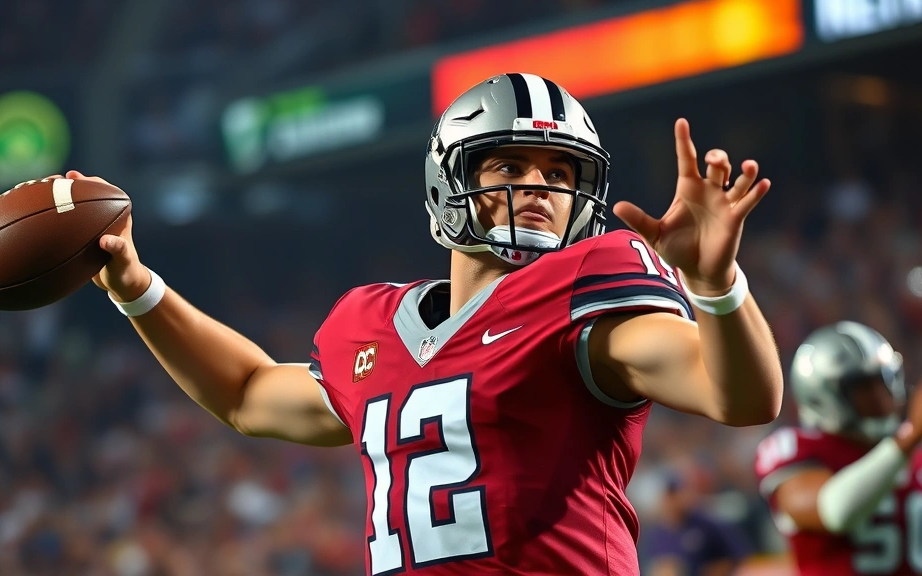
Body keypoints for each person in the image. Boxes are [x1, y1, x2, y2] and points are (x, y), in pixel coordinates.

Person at [72, 73, 783, 575]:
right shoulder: (371, 325)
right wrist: (137, 290)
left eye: (562, 175)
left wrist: (714, 286)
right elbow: (246, 393)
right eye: (510, 163)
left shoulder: (585, 297)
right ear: (449, 180)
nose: (540, 186)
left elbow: (742, 398)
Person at [755, 321, 922, 575]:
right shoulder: (797, 447)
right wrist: (910, 437)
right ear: (823, 394)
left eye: (884, 380)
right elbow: (834, 511)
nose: (882, 396)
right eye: (864, 387)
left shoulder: (916, 449)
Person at [645, 467, 751, 576]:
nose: (674, 500)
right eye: (670, 495)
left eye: (677, 493)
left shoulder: (707, 524)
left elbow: (738, 555)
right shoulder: (657, 535)